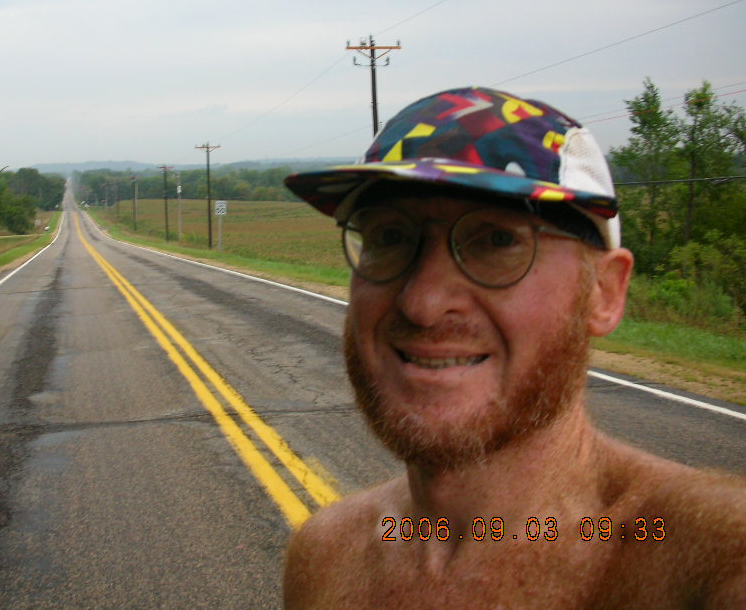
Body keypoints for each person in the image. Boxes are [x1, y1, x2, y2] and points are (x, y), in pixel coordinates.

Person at [281, 87, 746, 609]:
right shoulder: (327, 556)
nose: (423, 303)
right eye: (390, 237)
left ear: (605, 292)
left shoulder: (712, 558)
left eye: (497, 240)